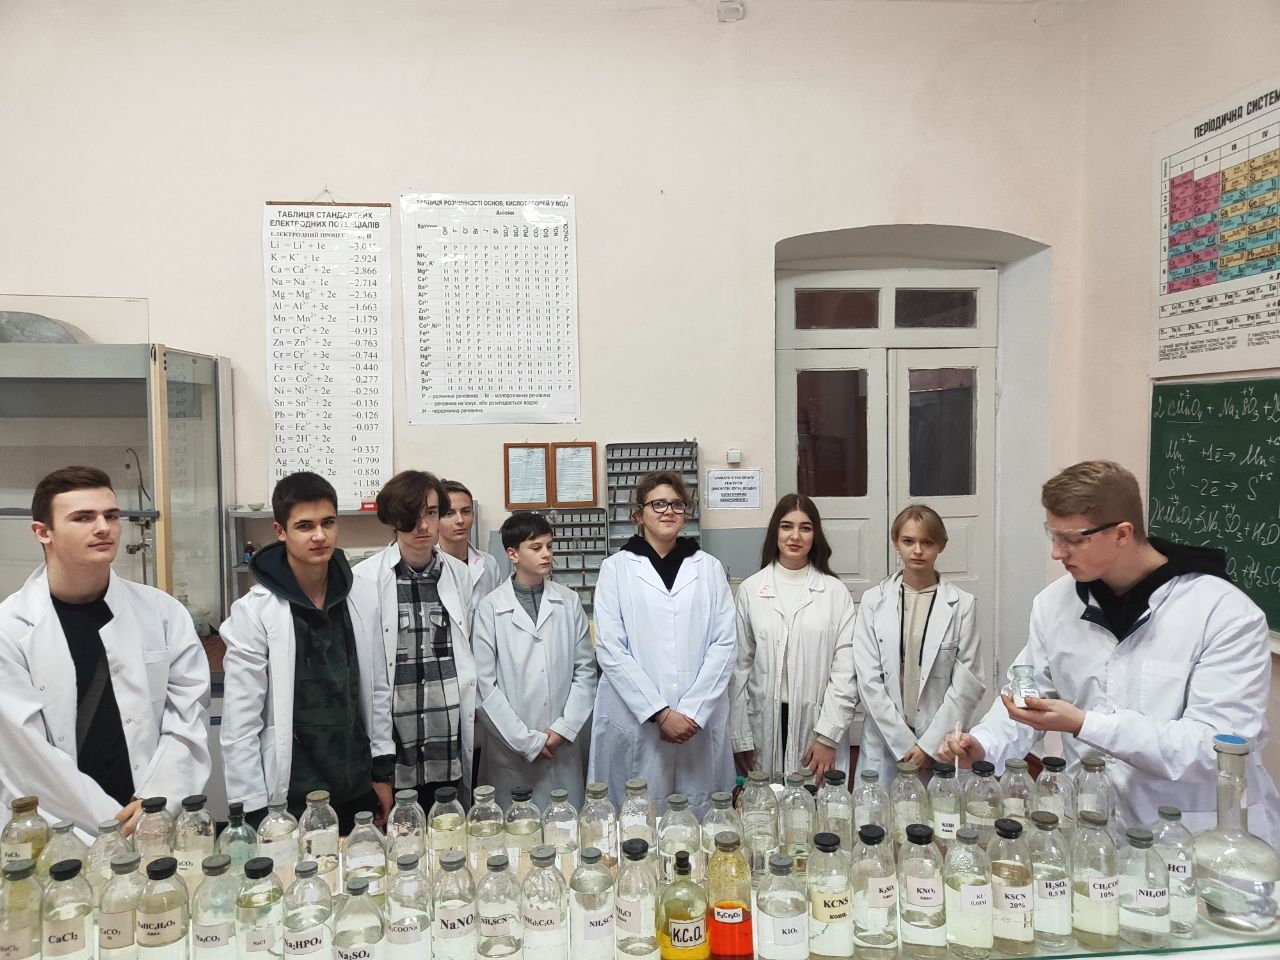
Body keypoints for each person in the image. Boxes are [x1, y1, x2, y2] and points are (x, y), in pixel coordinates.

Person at [940, 460, 1280, 843]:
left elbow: (1216, 748)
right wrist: (984, 744)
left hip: (1195, 834)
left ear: (1122, 534)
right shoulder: (1054, 605)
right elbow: (1025, 696)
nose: (1056, 552)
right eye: (1052, 535)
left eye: (1072, 539)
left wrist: (1086, 724)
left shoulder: (1224, 614)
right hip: (1092, 825)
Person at [0, 466, 211, 835]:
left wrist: (156, 802)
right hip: (59, 828)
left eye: (111, 516)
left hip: (155, 819)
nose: (103, 528)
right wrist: (110, 825)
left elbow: (187, 718)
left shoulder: (162, 613)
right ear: (42, 532)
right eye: (83, 518)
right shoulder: (9, 629)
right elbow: (26, 754)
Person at [220, 471, 393, 831]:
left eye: (328, 522)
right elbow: (241, 723)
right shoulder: (255, 612)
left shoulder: (361, 595)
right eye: (304, 526)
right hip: (290, 793)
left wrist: (381, 771)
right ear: (280, 531)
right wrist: (253, 808)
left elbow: (376, 690)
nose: (319, 535)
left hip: (354, 782)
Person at [589, 470, 736, 816]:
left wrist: (693, 711)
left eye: (676, 504)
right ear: (638, 514)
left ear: (686, 513)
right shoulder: (615, 569)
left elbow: (725, 643)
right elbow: (611, 648)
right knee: (637, 817)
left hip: (696, 722)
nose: (668, 511)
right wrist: (660, 712)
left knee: (699, 819)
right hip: (638, 718)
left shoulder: (710, 569)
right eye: (657, 504)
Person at [352, 470, 478, 809]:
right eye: (412, 516)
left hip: (446, 740)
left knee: (448, 829)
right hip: (395, 746)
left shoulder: (460, 576)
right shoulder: (364, 580)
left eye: (432, 513)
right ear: (393, 520)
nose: (424, 525)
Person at [729, 494, 859, 781]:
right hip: (764, 721)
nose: (795, 536)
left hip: (817, 723)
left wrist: (828, 735)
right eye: (787, 526)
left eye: (805, 528)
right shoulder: (751, 590)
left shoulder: (834, 593)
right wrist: (740, 736)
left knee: (815, 801)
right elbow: (739, 668)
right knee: (765, 802)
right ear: (775, 531)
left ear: (816, 535)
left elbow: (846, 671)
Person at [472, 512, 597, 808]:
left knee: (565, 824)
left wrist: (564, 728)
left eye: (549, 546)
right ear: (512, 554)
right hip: (509, 747)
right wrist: (525, 741)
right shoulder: (490, 608)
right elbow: (484, 687)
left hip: (562, 744)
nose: (546, 554)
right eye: (536, 547)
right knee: (516, 827)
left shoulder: (568, 601)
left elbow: (585, 671)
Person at [853, 504, 983, 787]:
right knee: (877, 812)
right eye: (908, 541)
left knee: (938, 812)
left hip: (939, 745)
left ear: (941, 545)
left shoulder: (961, 605)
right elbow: (868, 680)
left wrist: (928, 746)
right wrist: (903, 743)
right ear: (896, 543)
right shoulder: (874, 602)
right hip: (885, 743)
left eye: (928, 542)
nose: (918, 551)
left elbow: (967, 683)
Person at [438, 479, 503, 605]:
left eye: (465, 511)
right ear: (435, 518)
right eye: (449, 513)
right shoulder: (429, 566)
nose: (460, 520)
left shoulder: (489, 563)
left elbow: (497, 610)